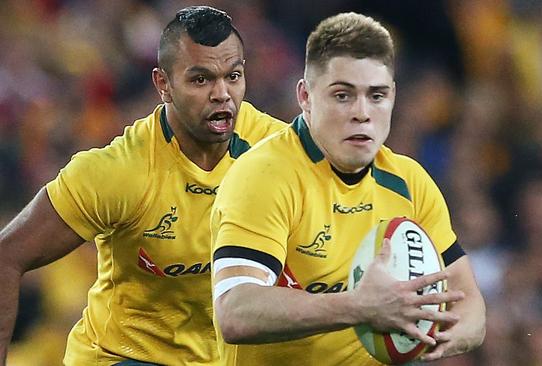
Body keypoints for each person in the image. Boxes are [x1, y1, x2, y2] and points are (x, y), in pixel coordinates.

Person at [0, 6, 286, 365]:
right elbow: (8, 256)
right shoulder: (119, 171)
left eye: (233, 76)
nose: (222, 94)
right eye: (201, 79)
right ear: (162, 84)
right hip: (124, 356)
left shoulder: (278, 151)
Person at [211, 12, 486, 366]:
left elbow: (471, 306)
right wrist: (358, 306)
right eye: (343, 95)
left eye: (377, 96)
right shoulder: (264, 175)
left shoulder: (410, 182)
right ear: (306, 96)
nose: (362, 113)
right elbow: (235, 310)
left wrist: (431, 336)